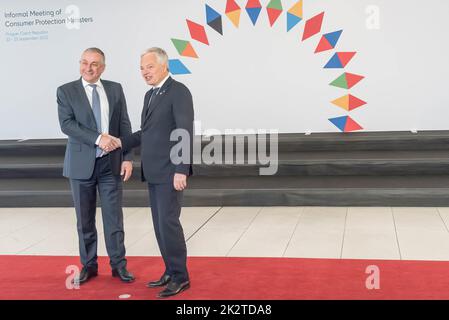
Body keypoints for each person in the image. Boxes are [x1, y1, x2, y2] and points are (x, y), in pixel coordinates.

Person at [115, 47, 194, 298]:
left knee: (168, 224)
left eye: (149, 67)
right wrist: (119, 142)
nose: (144, 72)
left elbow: (184, 131)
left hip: (171, 172)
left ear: (164, 66)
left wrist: (181, 169)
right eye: (141, 68)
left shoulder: (178, 91)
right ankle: (170, 271)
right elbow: (146, 133)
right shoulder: (151, 95)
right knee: (160, 226)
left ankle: (181, 277)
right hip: (154, 172)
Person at [57, 47, 135, 285]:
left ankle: (118, 266)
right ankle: (88, 266)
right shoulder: (66, 91)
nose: (88, 68)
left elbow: (124, 124)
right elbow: (67, 125)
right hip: (81, 166)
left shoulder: (115, 88)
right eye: (84, 62)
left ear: (103, 67)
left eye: (94, 64)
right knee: (85, 221)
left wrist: (128, 157)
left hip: (110, 165)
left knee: (114, 219)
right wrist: (98, 137)